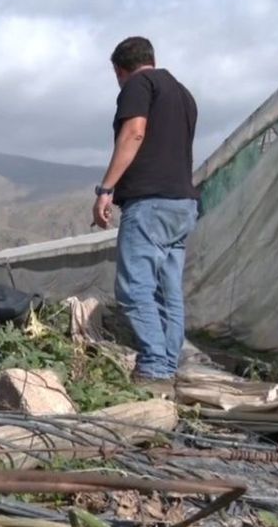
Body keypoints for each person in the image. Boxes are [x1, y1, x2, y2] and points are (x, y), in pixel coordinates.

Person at [92, 36, 199, 394]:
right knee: (168, 291)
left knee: (135, 288)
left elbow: (135, 132)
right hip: (182, 204)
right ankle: (168, 366)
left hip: (150, 203)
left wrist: (106, 189)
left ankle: (155, 369)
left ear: (120, 70)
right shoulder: (183, 94)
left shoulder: (139, 84)